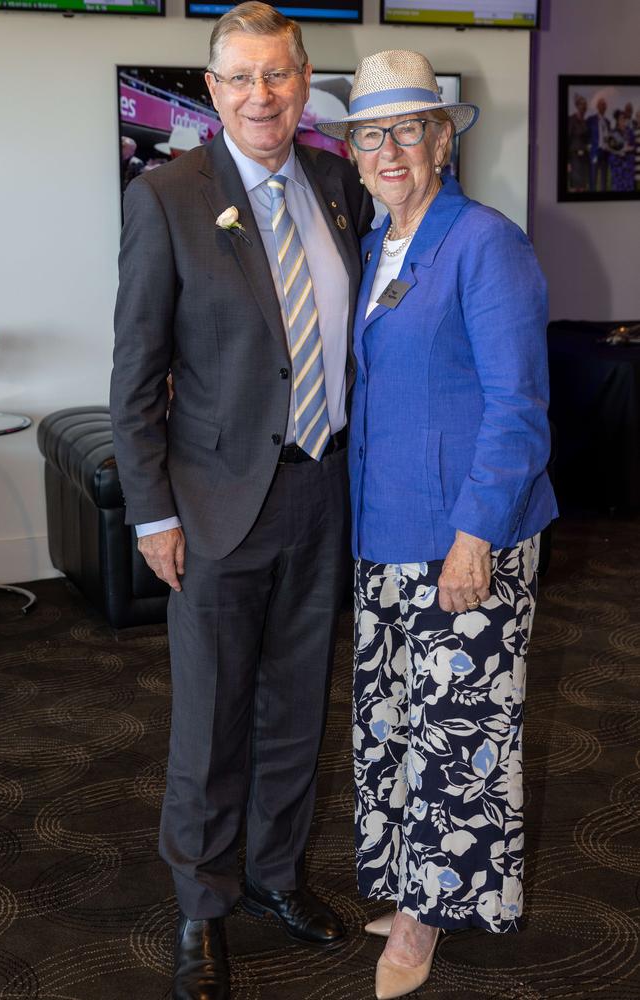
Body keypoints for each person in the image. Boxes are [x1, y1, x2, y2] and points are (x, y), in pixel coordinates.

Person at [110, 4, 373, 998]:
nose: (260, 97)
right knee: (211, 719)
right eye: (239, 79)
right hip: (215, 506)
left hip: (321, 492)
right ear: (212, 90)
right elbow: (134, 377)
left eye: (277, 75)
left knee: (295, 710)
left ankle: (273, 877)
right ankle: (201, 907)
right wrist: (153, 512)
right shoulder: (168, 197)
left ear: (304, 81)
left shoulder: (336, 182)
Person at [317, 50, 558, 999]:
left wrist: (476, 535)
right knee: (392, 725)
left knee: (458, 734)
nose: (388, 149)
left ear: (443, 140)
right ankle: (407, 883)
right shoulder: (379, 245)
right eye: (371, 133)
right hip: (384, 531)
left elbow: (517, 407)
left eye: (407, 130)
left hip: (463, 536)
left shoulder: (484, 242)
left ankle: (426, 920)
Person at [567, 93, 590, 192]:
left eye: (585, 105)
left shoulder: (585, 122)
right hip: (574, 158)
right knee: (574, 187)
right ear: (577, 105)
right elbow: (566, 140)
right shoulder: (571, 120)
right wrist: (567, 162)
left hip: (584, 158)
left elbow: (587, 140)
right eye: (581, 104)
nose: (583, 107)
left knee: (583, 187)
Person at [587, 96, 611, 191]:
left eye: (604, 104)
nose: (603, 106)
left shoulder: (607, 122)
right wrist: (589, 146)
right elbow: (586, 134)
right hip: (595, 152)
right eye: (601, 104)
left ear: (606, 107)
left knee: (604, 181)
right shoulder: (591, 120)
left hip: (605, 152)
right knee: (593, 179)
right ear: (597, 106)